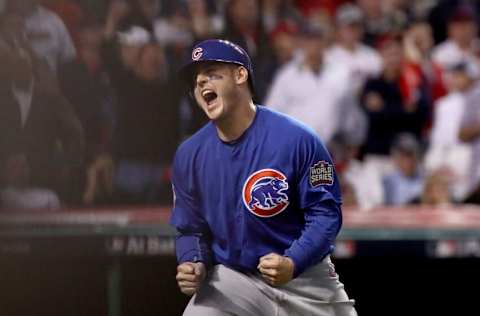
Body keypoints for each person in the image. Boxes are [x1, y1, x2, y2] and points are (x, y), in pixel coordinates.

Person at [170, 39, 357, 316]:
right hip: (234, 279)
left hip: (305, 279)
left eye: (211, 73)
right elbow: (191, 229)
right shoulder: (189, 155)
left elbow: (325, 214)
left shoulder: (299, 139)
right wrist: (193, 261)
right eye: (196, 80)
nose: (200, 83)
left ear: (240, 74)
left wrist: (294, 260)